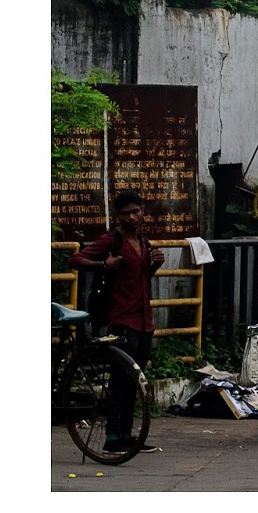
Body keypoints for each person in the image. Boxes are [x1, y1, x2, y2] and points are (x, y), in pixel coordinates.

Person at [71, 190, 165, 453]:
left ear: (142, 211)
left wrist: (154, 264)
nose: (131, 217)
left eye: (135, 211)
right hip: (122, 319)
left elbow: (142, 279)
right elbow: (76, 259)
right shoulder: (112, 240)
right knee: (120, 379)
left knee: (135, 380)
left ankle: (127, 434)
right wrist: (104, 264)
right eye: (125, 213)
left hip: (144, 320)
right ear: (118, 216)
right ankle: (113, 437)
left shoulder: (143, 242)